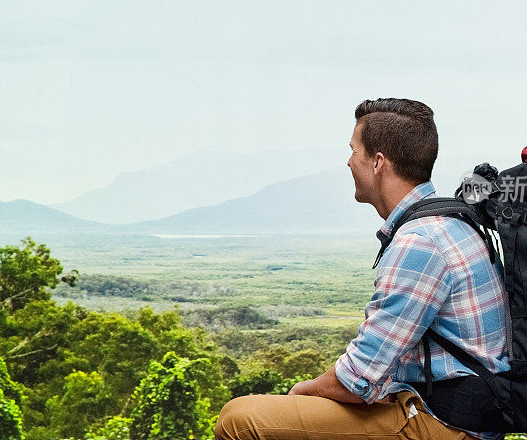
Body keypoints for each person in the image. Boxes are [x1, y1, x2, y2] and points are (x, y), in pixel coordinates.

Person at [215, 98, 511, 440]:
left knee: (240, 419)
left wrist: (301, 392)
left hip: (443, 426)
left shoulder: (420, 242)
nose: (348, 160)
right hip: (450, 413)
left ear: (378, 162)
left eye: (354, 149)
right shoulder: (452, 221)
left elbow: (359, 378)